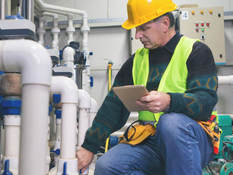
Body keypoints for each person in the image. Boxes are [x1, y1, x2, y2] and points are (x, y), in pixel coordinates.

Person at [76, 0, 218, 174]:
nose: (137, 35)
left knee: (170, 123)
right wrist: (89, 146)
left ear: (165, 23)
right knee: (108, 166)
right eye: (136, 29)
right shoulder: (136, 61)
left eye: (143, 28)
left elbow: (206, 101)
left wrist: (169, 101)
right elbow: (113, 106)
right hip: (150, 141)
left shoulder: (195, 51)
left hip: (192, 141)